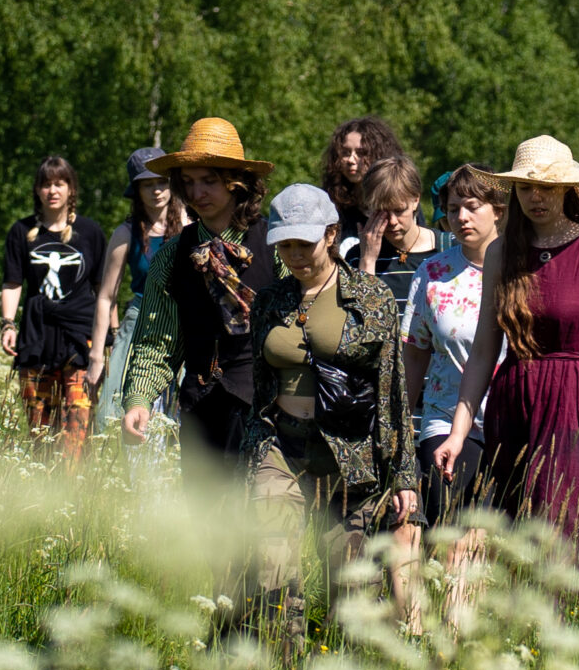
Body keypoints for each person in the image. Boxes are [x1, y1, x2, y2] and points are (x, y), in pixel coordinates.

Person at [436, 136, 579, 572]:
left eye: (548, 188)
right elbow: (484, 350)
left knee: (569, 530)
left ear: (568, 191)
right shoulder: (501, 253)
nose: (536, 198)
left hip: (577, 402)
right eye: (525, 189)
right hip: (514, 402)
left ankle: (570, 628)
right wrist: (458, 432)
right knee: (516, 535)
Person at [241, 183, 420, 640]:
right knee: (271, 564)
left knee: (350, 579)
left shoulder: (370, 296)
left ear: (332, 235)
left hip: (349, 454)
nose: (295, 255)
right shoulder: (270, 301)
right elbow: (261, 388)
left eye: (304, 242)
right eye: (285, 245)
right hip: (281, 445)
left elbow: (391, 389)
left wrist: (403, 476)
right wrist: (252, 453)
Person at [121, 118, 278, 470]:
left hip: (269, 412)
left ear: (237, 183)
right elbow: (156, 341)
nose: (197, 194)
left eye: (209, 181)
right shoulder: (172, 257)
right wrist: (139, 400)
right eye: (189, 183)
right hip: (199, 410)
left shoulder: (277, 246)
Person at [402, 163, 505, 528]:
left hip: (512, 421)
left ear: (500, 210)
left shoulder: (524, 270)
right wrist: (400, 433)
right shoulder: (431, 273)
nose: (461, 217)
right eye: (452, 209)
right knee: (454, 536)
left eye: (472, 206)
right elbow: (414, 355)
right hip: (445, 420)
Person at [0, 157, 108, 466]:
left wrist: (108, 338)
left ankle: (73, 491)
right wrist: (8, 324)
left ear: (71, 189)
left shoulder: (90, 232)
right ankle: (44, 490)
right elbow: (12, 282)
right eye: (46, 184)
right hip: (37, 335)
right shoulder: (21, 232)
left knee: (78, 420)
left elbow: (104, 289)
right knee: (39, 426)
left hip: (80, 335)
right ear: (37, 190)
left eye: (59, 183)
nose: (52, 190)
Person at [91, 146, 187, 436]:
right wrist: (97, 356)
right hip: (139, 319)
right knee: (111, 407)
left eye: (161, 181)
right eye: (148, 184)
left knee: (182, 409)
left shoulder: (190, 224)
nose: (157, 190)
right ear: (136, 189)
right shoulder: (126, 232)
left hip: (183, 320)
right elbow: (107, 296)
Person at [355, 153, 442, 306]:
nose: (393, 222)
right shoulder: (357, 257)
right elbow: (359, 321)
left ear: (416, 200)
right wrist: (368, 261)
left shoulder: (447, 248)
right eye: (383, 212)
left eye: (399, 210)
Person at [321, 116, 406, 265]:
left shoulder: (402, 207)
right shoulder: (330, 205)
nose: (351, 160)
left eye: (361, 153)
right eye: (346, 152)